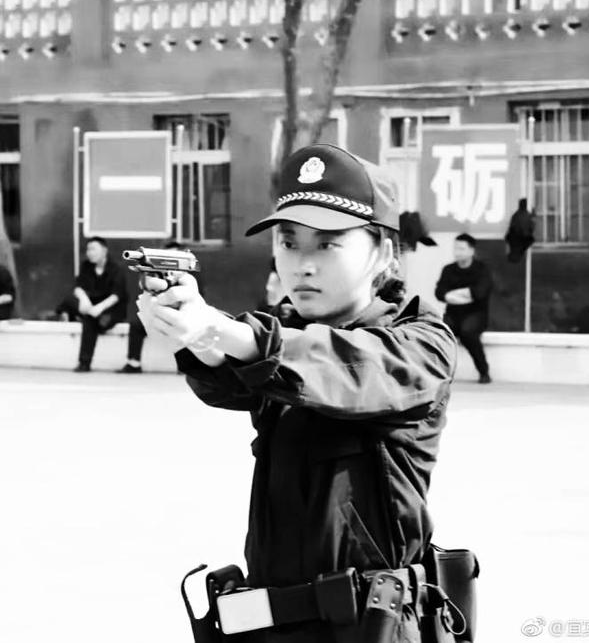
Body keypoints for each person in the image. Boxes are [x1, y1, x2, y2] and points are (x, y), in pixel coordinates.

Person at [139, 144, 458, 642]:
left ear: (383, 252)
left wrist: (219, 330)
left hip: (369, 628)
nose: (302, 265)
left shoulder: (421, 344)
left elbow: (340, 366)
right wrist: (192, 330)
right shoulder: (287, 334)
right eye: (289, 243)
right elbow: (233, 379)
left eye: (327, 245)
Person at [117, 240, 200, 374]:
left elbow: (196, 298)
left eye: (173, 256)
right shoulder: (156, 272)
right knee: (136, 324)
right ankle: (133, 363)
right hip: (159, 310)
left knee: (183, 325)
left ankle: (187, 366)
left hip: (182, 311)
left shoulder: (190, 277)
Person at [435, 233, 493, 384]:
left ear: (471, 250)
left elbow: (480, 293)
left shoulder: (481, 269)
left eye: (461, 248)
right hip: (453, 314)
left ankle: (484, 371)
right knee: (440, 334)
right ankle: (438, 373)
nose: (457, 252)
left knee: (468, 333)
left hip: (476, 314)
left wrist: (453, 295)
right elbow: (440, 293)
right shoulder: (448, 270)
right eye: (455, 248)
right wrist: (465, 294)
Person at [69, 236, 128, 372]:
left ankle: (84, 362)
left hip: (111, 310)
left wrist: (98, 309)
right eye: (88, 249)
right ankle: (84, 363)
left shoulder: (116, 268)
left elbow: (116, 295)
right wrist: (84, 300)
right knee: (76, 308)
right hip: (91, 308)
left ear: (104, 251)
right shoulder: (86, 266)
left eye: (93, 249)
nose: (90, 253)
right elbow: (78, 287)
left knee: (91, 320)